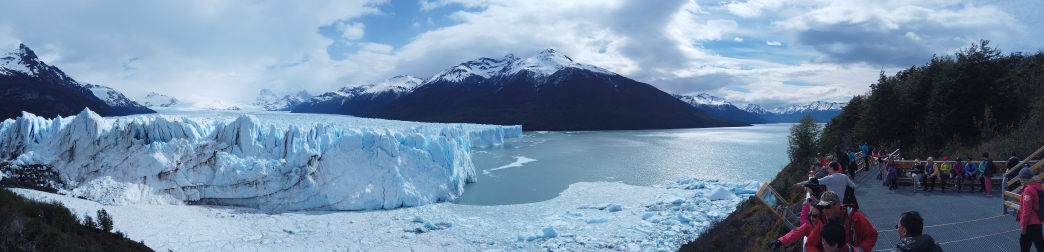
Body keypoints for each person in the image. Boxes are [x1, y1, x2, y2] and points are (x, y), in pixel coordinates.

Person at [805, 191, 878, 252]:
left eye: (827, 206)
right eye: (821, 207)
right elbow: (810, 243)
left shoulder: (855, 217)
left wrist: (860, 250)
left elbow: (872, 234)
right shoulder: (823, 221)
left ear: (837, 204)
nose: (824, 210)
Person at [1017, 167, 1044, 252]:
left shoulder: (1027, 190)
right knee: (1040, 244)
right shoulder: (1036, 186)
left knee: (1024, 245)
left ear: (1024, 177)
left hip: (1030, 223)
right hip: (1038, 220)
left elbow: (1026, 210)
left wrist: (1023, 227)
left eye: (1020, 177)